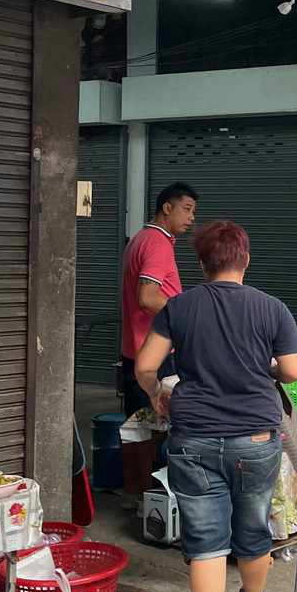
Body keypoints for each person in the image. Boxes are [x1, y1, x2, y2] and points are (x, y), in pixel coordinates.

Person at [135, 220, 297, 592]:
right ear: (246, 260)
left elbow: (145, 366)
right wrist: (269, 369)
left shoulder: (178, 307)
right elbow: (293, 371)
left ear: (202, 264)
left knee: (206, 538)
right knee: (253, 529)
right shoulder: (272, 308)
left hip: (193, 438)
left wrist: (156, 393)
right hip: (256, 438)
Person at [119, 181, 197, 510]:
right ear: (167, 208)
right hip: (156, 352)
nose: (191, 218)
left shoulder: (139, 238)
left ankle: (136, 495)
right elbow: (148, 297)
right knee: (159, 426)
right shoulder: (157, 243)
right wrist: (186, 315)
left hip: (133, 348)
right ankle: (155, 503)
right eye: (186, 209)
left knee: (138, 426)